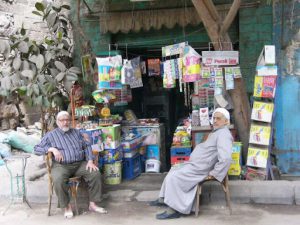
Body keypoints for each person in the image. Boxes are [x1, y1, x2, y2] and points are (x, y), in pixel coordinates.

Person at [151, 108, 233, 220]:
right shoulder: (218, 131)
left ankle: (175, 209)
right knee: (174, 169)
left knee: (175, 177)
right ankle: (164, 198)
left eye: (218, 119)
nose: (214, 121)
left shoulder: (223, 134)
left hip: (200, 168)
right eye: (213, 118)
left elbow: (226, 158)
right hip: (196, 165)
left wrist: (215, 173)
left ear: (226, 121)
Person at [34, 111, 107, 219]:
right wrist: (52, 149)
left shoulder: (76, 132)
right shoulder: (51, 135)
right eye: (62, 120)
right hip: (61, 165)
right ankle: (67, 207)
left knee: (95, 173)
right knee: (58, 179)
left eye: (67, 120)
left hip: (79, 164)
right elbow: (36, 149)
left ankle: (93, 204)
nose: (65, 122)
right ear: (57, 122)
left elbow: (87, 146)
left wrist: (90, 161)